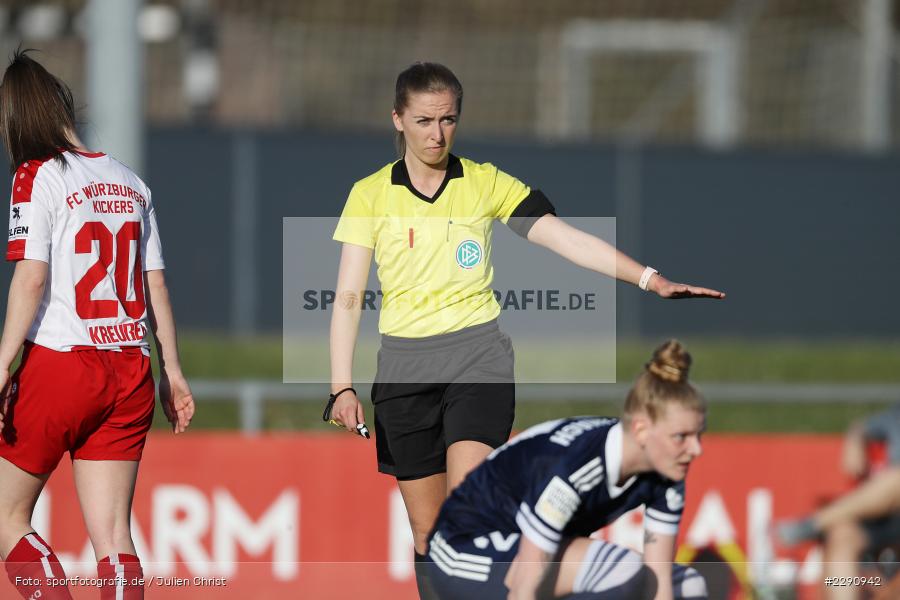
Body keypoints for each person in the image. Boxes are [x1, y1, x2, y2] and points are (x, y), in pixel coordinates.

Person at [328, 62, 724, 598]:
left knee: (471, 509)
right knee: (429, 534)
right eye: (423, 120)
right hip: (403, 369)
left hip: (477, 358)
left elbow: (565, 240)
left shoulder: (486, 181)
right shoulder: (369, 195)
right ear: (397, 119)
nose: (436, 134)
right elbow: (348, 297)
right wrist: (341, 386)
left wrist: (650, 279)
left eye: (448, 120)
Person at [0, 51, 194, 600]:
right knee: (112, 538)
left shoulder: (35, 175)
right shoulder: (131, 183)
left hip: (62, 364)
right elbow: (155, 284)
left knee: (6, 516)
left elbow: (30, 280)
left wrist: (2, 362)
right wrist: (172, 372)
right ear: (63, 105)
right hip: (129, 368)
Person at [426, 339, 708, 600]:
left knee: (690, 586)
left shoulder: (667, 471)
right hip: (461, 553)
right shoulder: (574, 465)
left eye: (698, 435)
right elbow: (526, 582)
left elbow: (659, 584)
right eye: (681, 436)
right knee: (622, 569)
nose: (696, 450)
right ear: (641, 430)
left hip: (526, 551)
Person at [776, 404, 900, 600]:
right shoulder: (896, 415)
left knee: (897, 480)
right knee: (842, 536)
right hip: (887, 514)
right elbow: (862, 426)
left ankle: (815, 522)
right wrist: (855, 437)